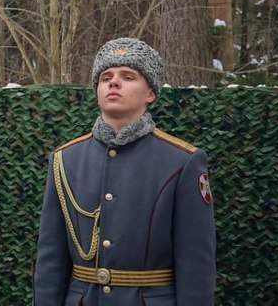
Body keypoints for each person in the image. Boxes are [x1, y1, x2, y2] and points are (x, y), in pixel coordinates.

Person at [33, 37, 216, 305]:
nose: (113, 82)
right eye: (105, 76)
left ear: (151, 93)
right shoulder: (65, 159)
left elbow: (196, 265)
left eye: (128, 76)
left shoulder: (183, 162)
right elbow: (51, 259)